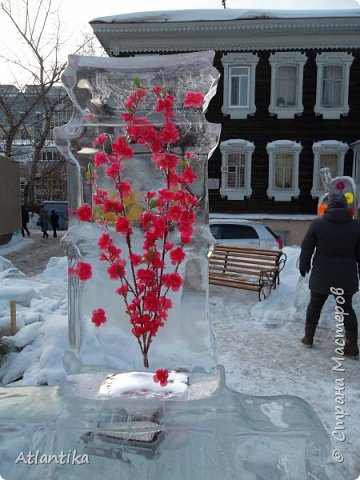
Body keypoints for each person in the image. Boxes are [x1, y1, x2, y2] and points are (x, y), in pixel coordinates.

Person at [299, 192, 360, 359]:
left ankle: (308, 338)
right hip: (346, 276)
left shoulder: (318, 224)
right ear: (345, 206)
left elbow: (307, 247)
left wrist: (304, 265)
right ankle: (352, 346)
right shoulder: (356, 226)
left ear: (330, 206)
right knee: (346, 308)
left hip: (322, 274)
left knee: (315, 305)